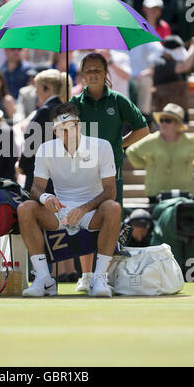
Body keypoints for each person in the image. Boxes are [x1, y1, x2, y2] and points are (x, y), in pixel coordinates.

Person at [17, 102, 121, 297]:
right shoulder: (46, 149)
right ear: (55, 131)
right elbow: (36, 189)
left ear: (79, 125)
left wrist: (82, 209)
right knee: (25, 208)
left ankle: (99, 278)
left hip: (92, 212)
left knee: (113, 207)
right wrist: (45, 197)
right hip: (59, 213)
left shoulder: (102, 146)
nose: (69, 132)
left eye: (72, 126)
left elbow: (110, 192)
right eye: (62, 129)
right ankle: (44, 279)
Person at [70, 52, 149, 291]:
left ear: (106, 73)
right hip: (82, 171)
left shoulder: (117, 100)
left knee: (111, 222)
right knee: (82, 222)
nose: (92, 74)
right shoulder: (74, 103)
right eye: (88, 70)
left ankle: (103, 276)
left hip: (111, 173)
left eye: (97, 70)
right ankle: (85, 276)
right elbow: (64, 135)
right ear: (83, 75)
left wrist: (118, 145)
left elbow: (142, 129)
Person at [126, 103, 194, 202]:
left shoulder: (189, 141)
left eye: (167, 120)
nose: (163, 124)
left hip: (185, 195)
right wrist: (144, 164)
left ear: (177, 124)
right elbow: (131, 152)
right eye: (161, 120)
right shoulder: (152, 140)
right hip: (156, 195)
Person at [18, 69, 66, 192]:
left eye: (37, 87)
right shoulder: (66, 110)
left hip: (41, 177)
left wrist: (22, 165)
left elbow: (32, 143)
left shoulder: (45, 111)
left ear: (47, 88)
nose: (35, 91)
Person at [139, 35, 194, 122]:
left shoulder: (168, 62)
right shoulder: (161, 63)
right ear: (167, 52)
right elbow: (185, 66)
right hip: (166, 114)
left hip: (177, 110)